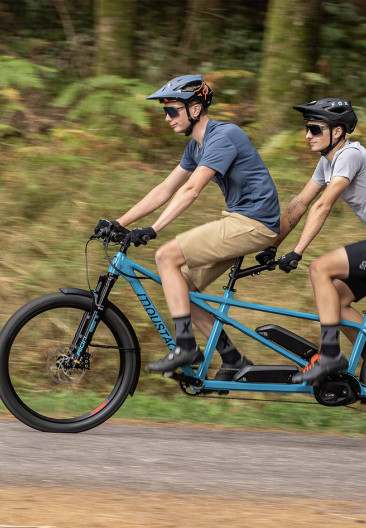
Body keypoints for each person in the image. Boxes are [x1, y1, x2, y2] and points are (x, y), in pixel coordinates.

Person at [95, 75, 280, 378]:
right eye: (164, 112)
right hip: (241, 221)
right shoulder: (196, 147)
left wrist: (154, 229)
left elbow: (191, 190)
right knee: (180, 286)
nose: (167, 119)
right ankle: (232, 358)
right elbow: (165, 188)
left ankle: (185, 347)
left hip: (254, 223)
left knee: (166, 256)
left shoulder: (223, 136)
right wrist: (119, 222)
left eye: (172, 111)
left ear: (195, 109)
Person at [257, 98, 366, 386]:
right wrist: (273, 245)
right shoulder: (327, 163)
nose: (307, 135)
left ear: (337, 132)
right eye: (307, 129)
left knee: (320, 268)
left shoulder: (350, 155)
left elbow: (323, 205)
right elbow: (299, 204)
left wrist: (297, 251)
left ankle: (331, 355)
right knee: (334, 299)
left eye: (314, 129)